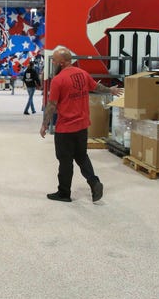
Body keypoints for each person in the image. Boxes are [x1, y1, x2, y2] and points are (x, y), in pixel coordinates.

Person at [39, 46, 123, 203]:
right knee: (82, 156)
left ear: (62, 63)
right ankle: (94, 182)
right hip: (82, 126)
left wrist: (44, 124)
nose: (54, 63)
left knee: (65, 161)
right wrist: (110, 90)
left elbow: (51, 105)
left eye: (55, 61)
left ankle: (64, 193)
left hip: (66, 128)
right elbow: (96, 87)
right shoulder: (83, 74)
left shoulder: (58, 80)